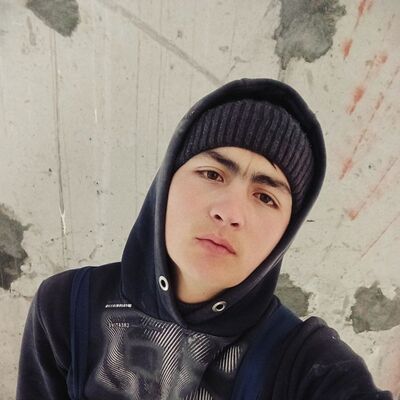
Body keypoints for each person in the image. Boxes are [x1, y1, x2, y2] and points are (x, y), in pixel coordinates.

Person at [16, 78, 393, 399]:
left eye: (265, 197)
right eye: (212, 174)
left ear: (285, 233)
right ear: (166, 184)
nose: (230, 212)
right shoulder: (66, 307)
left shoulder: (307, 366)